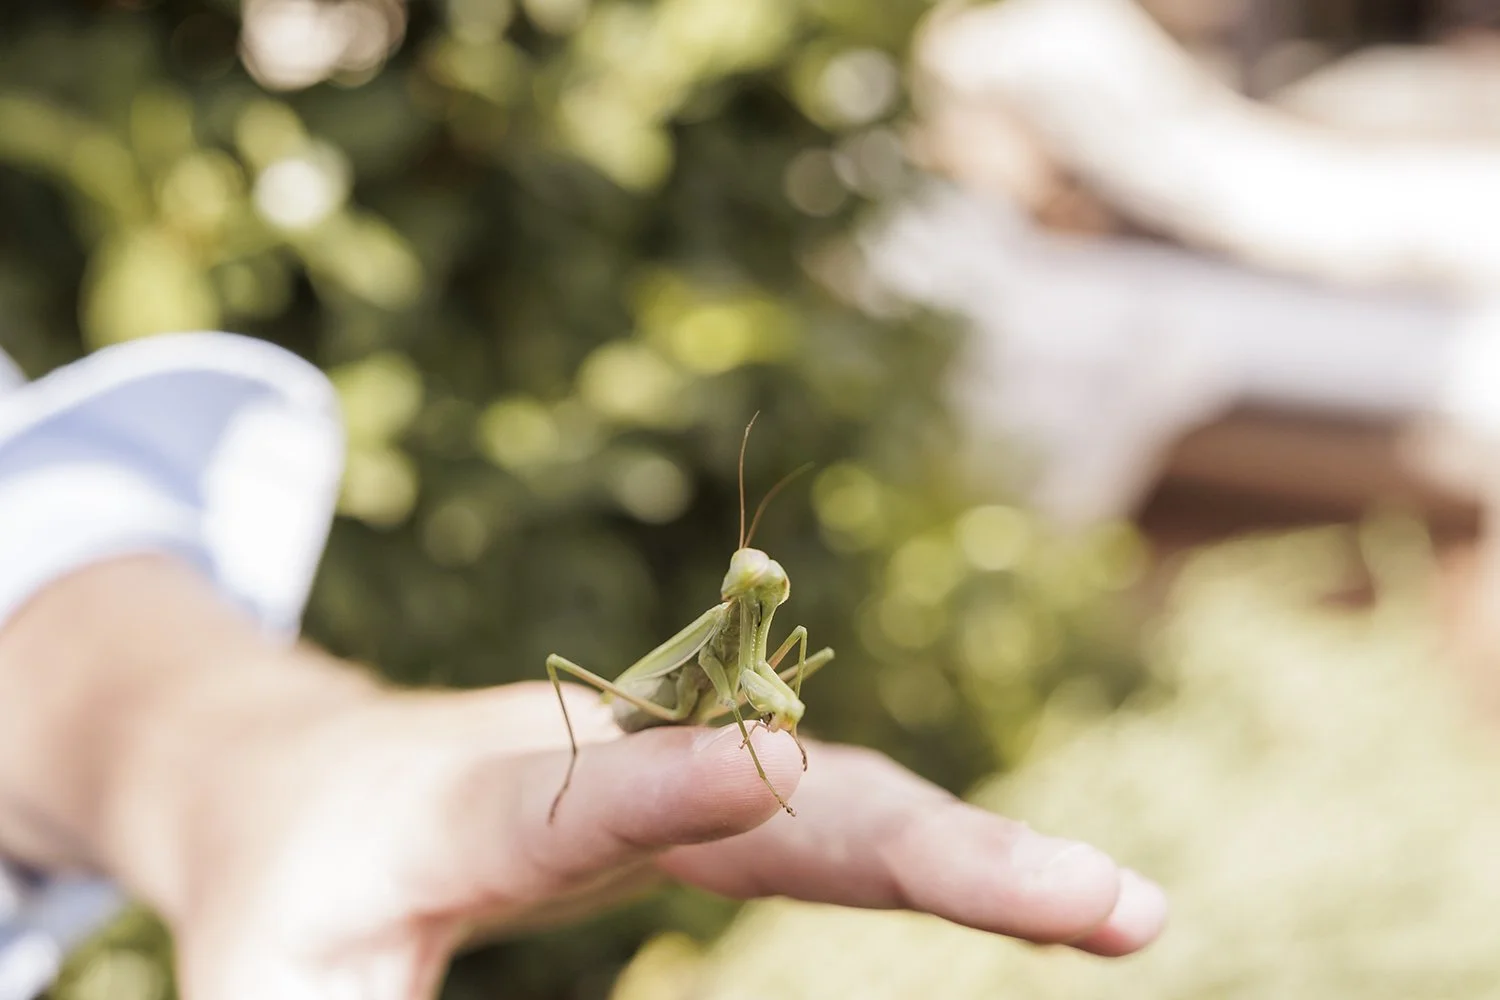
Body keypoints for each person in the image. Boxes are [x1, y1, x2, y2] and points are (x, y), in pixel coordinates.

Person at [0, 333, 1167, 1000]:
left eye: (765, 583)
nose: (763, 589)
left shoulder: (759, 628)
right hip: (638, 707)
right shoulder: (711, 638)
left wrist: (239, 783)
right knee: (584, 674)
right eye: (752, 580)